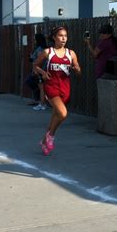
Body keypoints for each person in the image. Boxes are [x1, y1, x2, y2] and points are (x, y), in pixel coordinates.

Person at [33, 26, 81, 156]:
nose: (63, 38)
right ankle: (51, 137)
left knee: (56, 116)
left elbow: (78, 69)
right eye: (60, 35)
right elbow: (35, 65)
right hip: (51, 86)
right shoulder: (48, 52)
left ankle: (44, 140)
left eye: (65, 35)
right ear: (54, 37)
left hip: (65, 88)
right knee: (63, 113)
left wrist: (76, 69)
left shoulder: (71, 53)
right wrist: (43, 72)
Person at [30, 33, 48, 111]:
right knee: (44, 87)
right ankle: (44, 103)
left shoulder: (39, 49)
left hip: (40, 70)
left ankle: (42, 104)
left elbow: (32, 59)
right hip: (47, 70)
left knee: (42, 88)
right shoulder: (48, 48)